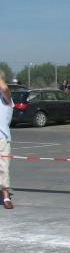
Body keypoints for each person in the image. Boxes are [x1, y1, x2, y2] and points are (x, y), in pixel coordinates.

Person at [0, 73, 13, 209]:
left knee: (3, 168)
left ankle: (6, 197)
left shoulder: (6, 98)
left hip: (2, 138)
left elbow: (5, 88)